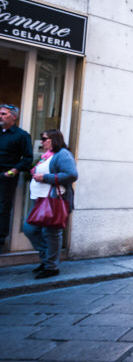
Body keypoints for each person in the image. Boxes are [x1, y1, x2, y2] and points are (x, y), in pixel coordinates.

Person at [23, 129, 75, 279]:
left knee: (51, 233)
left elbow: (71, 174)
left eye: (44, 138)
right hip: (40, 200)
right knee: (30, 229)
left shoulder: (63, 154)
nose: (42, 141)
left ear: (54, 139)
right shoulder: (46, 156)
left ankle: (51, 267)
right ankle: (47, 260)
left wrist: (45, 177)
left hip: (54, 200)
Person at [0, 104, 33, 249]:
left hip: (6, 177)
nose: (0, 116)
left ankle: (0, 241)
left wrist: (11, 172)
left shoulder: (22, 135)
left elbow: (27, 159)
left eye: (3, 114)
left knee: (2, 209)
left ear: (14, 117)